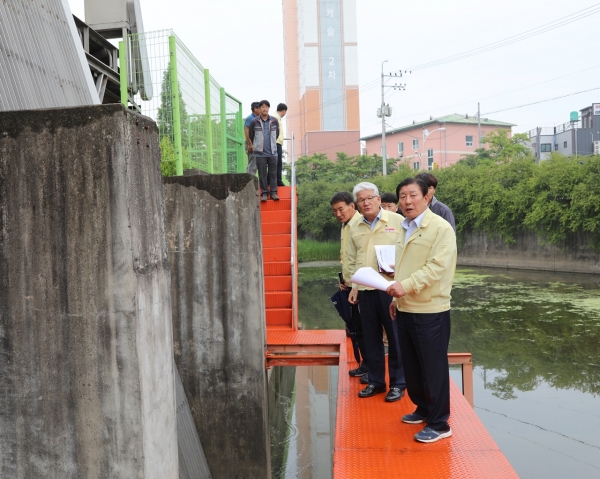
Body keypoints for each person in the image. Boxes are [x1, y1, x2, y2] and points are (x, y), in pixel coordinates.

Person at [386, 177, 457, 443]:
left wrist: (406, 286)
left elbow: (437, 268)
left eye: (413, 195)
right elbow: (403, 267)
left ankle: (439, 423)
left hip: (430, 309)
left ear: (426, 197)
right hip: (405, 307)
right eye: (402, 196)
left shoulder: (440, 228)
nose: (407, 201)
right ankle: (424, 408)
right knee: (413, 364)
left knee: (433, 367)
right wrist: (396, 298)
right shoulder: (405, 227)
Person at [347, 182, 407, 402]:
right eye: (361, 200)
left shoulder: (398, 221)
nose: (366, 202)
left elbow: (408, 252)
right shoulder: (355, 226)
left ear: (379, 199)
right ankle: (376, 381)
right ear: (357, 204)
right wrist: (354, 287)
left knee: (395, 336)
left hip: (390, 289)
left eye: (370, 198)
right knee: (371, 337)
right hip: (365, 288)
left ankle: (399, 383)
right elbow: (353, 260)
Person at [330, 191, 368, 377]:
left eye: (341, 209)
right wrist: (345, 281)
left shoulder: (361, 225)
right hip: (350, 286)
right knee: (357, 329)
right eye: (335, 211)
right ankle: (365, 365)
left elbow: (363, 258)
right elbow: (348, 258)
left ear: (352, 206)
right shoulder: (346, 226)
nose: (338, 214)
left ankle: (371, 368)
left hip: (362, 287)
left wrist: (355, 284)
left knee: (367, 330)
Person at [248, 100, 280, 201]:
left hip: (272, 152)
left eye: (266, 107)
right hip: (260, 153)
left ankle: (274, 193)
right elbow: (251, 135)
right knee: (262, 174)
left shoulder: (274, 121)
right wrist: (257, 145)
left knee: (273, 173)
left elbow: (277, 134)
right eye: (262, 107)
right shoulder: (254, 121)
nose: (265, 108)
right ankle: (264, 193)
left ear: (269, 108)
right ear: (259, 109)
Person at [273, 103, 288, 186]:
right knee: (277, 163)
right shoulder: (275, 118)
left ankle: (277, 180)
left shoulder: (276, 118)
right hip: (276, 143)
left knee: (277, 163)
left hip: (277, 143)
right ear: (284, 111)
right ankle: (278, 180)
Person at [244, 102, 260, 175]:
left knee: (255, 163)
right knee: (252, 163)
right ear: (255, 109)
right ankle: (249, 181)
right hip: (251, 143)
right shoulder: (250, 118)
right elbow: (246, 131)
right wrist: (250, 144)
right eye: (260, 108)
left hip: (256, 143)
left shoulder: (257, 118)